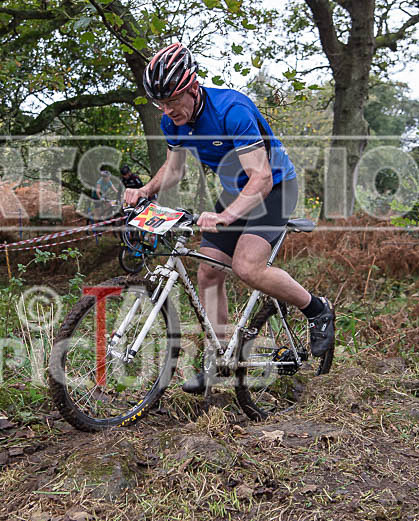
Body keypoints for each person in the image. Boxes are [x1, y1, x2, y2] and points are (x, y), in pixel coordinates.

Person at [124, 43, 335, 394]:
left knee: (247, 267)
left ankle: (316, 309)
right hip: (236, 191)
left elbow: (262, 178)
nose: (166, 110)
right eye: (159, 103)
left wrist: (225, 215)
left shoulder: (231, 109)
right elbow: (173, 171)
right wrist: (146, 190)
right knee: (207, 271)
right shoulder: (171, 120)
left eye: (172, 101)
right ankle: (220, 354)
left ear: (192, 87)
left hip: (276, 186)